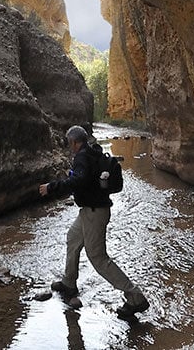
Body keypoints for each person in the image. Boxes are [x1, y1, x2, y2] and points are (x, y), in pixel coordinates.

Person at [39, 125, 150, 318]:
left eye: (69, 143)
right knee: (73, 239)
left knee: (98, 258)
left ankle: (135, 297)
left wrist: (51, 187)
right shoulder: (93, 151)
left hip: (94, 213)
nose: (69, 147)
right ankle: (68, 283)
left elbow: (78, 181)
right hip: (89, 211)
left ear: (74, 142)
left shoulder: (82, 157)